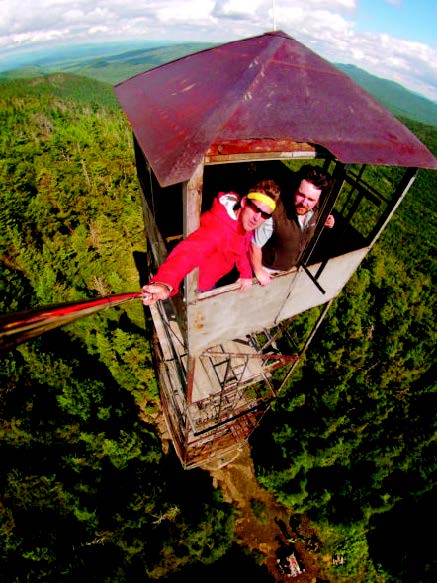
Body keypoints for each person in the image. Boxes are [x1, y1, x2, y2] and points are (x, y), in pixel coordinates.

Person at [141, 181, 280, 306]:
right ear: (244, 202)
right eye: (256, 208)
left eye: (265, 215)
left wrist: (246, 273)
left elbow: (242, 247)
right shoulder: (217, 230)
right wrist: (165, 282)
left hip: (216, 275)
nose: (257, 218)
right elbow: (189, 252)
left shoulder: (244, 224)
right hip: (201, 283)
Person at [250, 165, 335, 286]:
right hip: (267, 271)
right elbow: (254, 243)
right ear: (295, 188)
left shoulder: (317, 208)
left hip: (289, 270)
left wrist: (327, 220)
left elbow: (310, 225)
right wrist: (258, 271)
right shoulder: (274, 214)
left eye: (311, 199)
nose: (304, 202)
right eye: (301, 195)